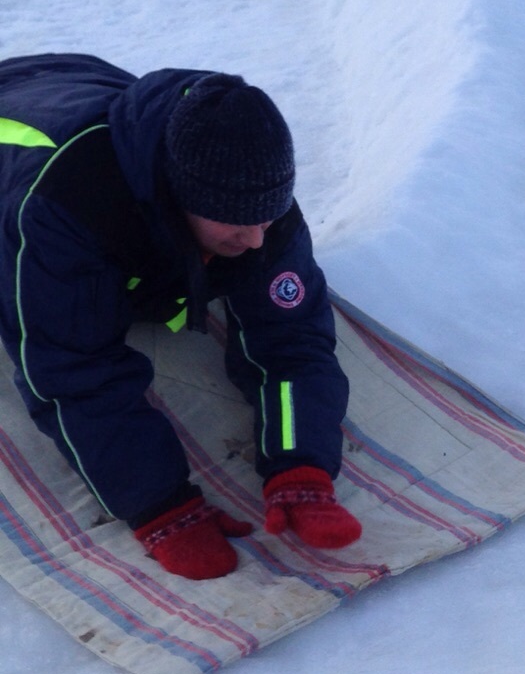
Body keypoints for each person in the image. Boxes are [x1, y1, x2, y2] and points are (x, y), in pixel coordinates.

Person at [0, 54, 362, 581]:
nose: (257, 238)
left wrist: (300, 464)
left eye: (267, 216)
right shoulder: (66, 207)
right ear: (178, 197)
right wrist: (160, 507)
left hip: (67, 78)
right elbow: (75, 372)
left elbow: (292, 337)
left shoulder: (250, 189)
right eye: (236, 224)